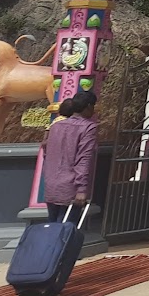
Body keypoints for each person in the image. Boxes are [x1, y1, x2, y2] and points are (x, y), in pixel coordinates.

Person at [40, 90, 98, 222]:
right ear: (89, 106)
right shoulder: (88, 128)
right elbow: (84, 159)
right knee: (65, 232)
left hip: (51, 185)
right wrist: (82, 189)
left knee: (53, 227)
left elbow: (47, 153)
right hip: (71, 188)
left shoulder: (56, 126)